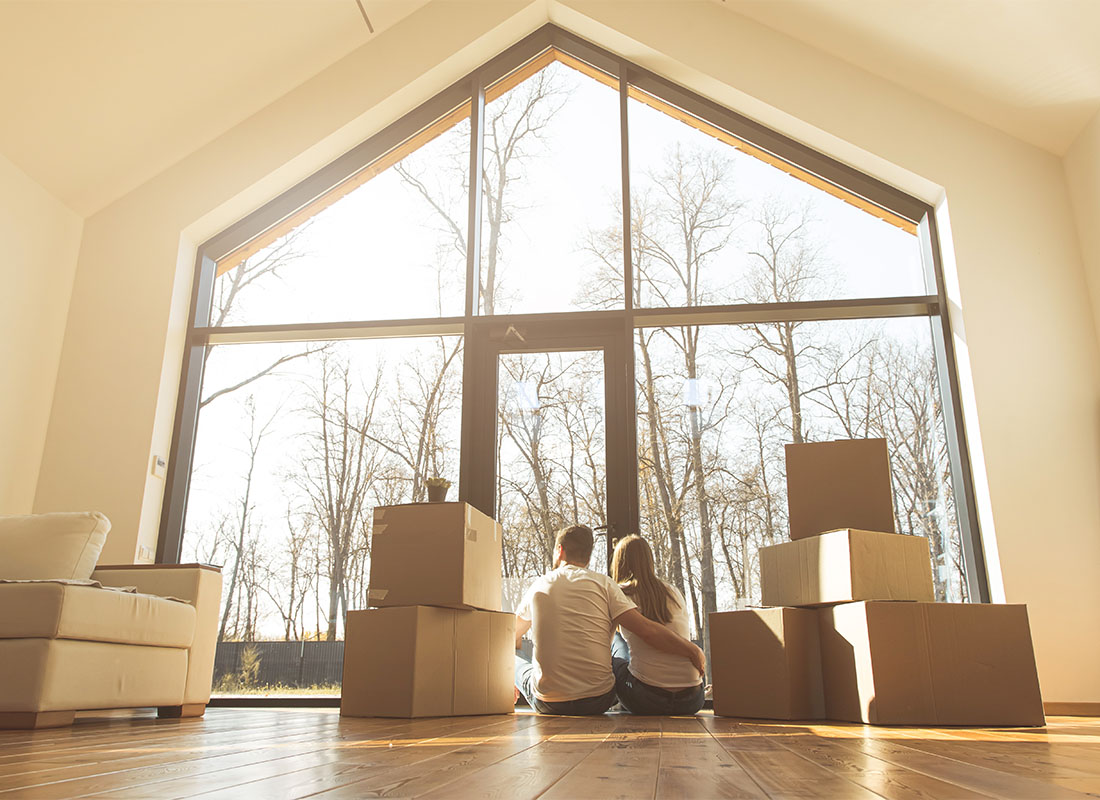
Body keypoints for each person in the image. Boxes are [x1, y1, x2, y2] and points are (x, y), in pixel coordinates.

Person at [514, 524, 705, 716]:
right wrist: (693, 649)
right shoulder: (609, 584)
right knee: (616, 635)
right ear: (588, 557)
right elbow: (647, 629)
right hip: (600, 700)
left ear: (559, 550)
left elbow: (511, 634)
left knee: (513, 656)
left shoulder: (539, 585)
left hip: (551, 703)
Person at [609, 535, 706, 715]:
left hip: (648, 699)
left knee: (614, 648)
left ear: (619, 563)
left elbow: (650, 634)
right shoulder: (673, 591)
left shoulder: (620, 594)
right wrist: (693, 650)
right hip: (692, 699)